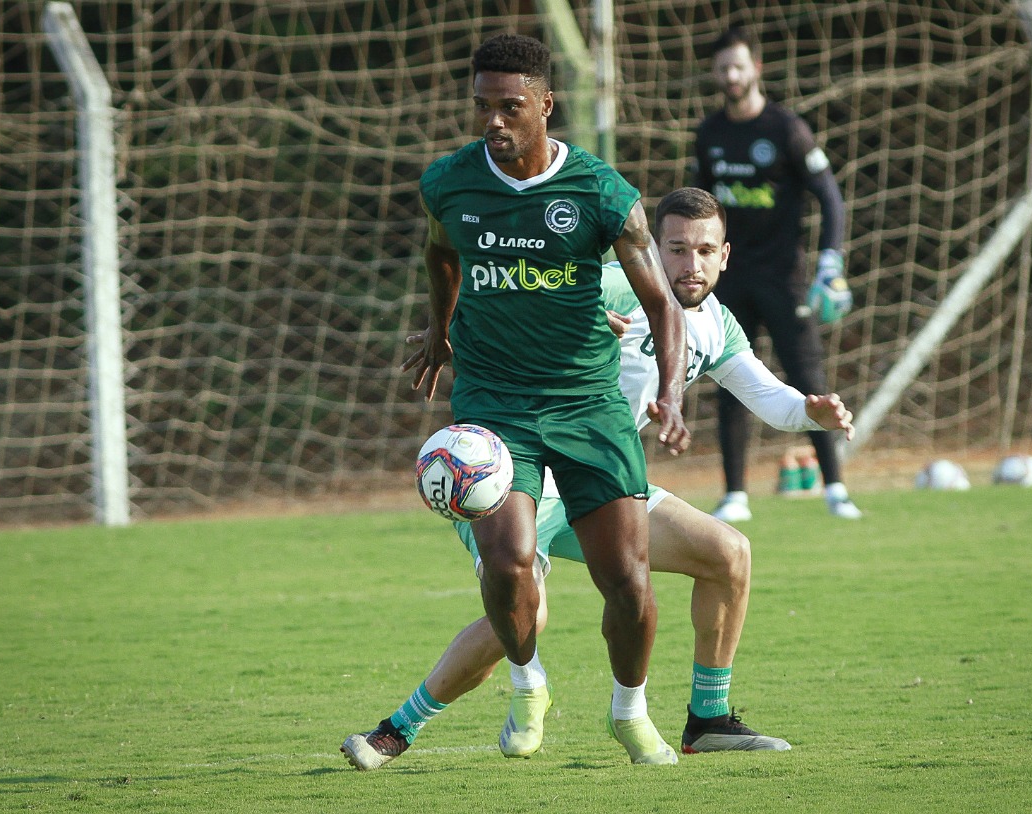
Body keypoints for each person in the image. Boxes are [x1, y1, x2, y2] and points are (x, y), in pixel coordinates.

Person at [342, 187, 856, 771]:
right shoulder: (608, 284)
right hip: (512, 474)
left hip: (599, 483)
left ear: (725, 256)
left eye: (705, 251)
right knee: (523, 614)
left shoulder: (717, 324)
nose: (691, 264)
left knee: (728, 553)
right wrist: (456, 332)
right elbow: (504, 311)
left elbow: (768, 398)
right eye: (677, 248)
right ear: (650, 248)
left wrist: (809, 412)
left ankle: (708, 721)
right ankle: (397, 729)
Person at [395, 33, 690, 766]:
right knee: (509, 560)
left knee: (625, 578)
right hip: (495, 400)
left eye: (510, 107)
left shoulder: (600, 193)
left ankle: (630, 711)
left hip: (588, 401)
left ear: (545, 106)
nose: (493, 121)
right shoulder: (450, 183)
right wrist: (439, 334)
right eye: (482, 107)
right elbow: (439, 252)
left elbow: (664, 305)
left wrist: (671, 392)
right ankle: (528, 684)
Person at [694, 27, 862, 523]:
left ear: (756, 69)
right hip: (729, 279)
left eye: (738, 66)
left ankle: (835, 488)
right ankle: (735, 495)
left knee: (808, 378)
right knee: (728, 380)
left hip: (785, 278)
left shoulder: (786, 128)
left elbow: (830, 197)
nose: (730, 75)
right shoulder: (709, 134)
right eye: (723, 67)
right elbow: (701, 208)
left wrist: (832, 260)